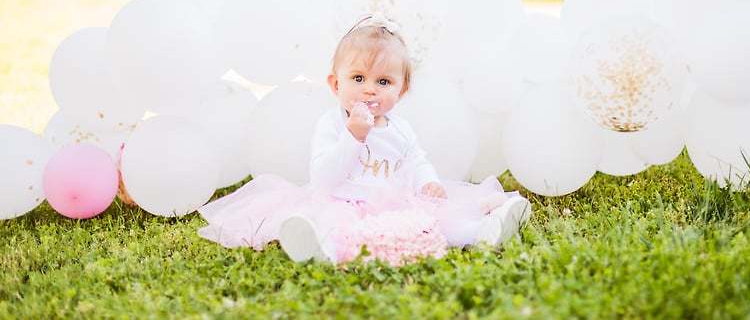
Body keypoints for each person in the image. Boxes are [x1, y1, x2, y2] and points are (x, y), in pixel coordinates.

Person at [198, 13, 531, 264]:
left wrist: (428, 181)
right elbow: (324, 178)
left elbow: (417, 161)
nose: (370, 88)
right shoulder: (331, 124)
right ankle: (319, 246)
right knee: (334, 228)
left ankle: (481, 232)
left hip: (394, 204)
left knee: (435, 223)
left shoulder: (399, 129)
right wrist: (353, 136)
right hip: (340, 203)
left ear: (401, 91)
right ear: (335, 84)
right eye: (358, 77)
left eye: (383, 81)